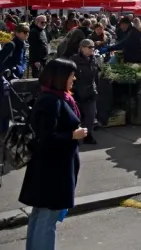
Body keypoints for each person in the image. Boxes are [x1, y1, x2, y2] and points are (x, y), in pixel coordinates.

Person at [19, 59, 88, 250]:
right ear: (60, 77)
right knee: (47, 220)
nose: (74, 79)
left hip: (49, 168)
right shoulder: (52, 101)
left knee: (40, 215)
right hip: (53, 170)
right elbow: (46, 138)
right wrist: (72, 135)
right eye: (71, 76)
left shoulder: (52, 96)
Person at [72, 39, 100, 146]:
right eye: (89, 47)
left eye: (93, 47)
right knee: (77, 116)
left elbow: (96, 76)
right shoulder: (74, 60)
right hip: (77, 92)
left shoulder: (94, 59)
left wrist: (96, 88)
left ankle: (89, 136)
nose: (92, 49)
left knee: (91, 115)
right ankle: (75, 136)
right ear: (82, 48)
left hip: (90, 91)